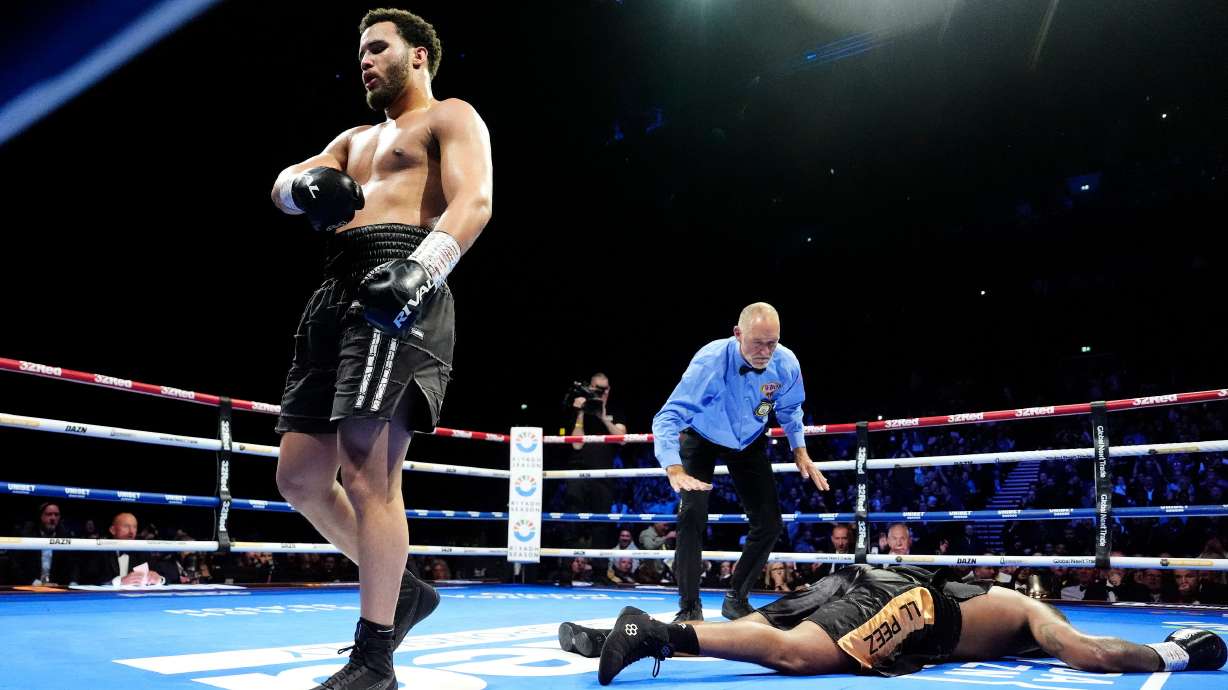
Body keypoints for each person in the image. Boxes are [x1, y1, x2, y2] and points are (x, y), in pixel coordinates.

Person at [268, 8, 493, 690]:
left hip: (402, 280)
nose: (365, 61)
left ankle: (375, 659)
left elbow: (475, 200)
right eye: (360, 52)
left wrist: (423, 270)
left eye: (378, 48)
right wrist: (301, 187)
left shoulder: (450, 116)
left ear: (418, 55)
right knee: (301, 478)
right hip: (334, 293)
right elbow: (281, 188)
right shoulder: (352, 138)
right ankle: (405, 591)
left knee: (369, 470)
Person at [556, 564, 1226, 685]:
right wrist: (1173, 654)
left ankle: (616, 637)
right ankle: (654, 633)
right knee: (796, 656)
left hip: (856, 581)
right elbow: (1087, 654)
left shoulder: (997, 600)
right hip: (910, 602)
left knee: (765, 629)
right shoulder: (1029, 608)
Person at [653, 302, 829, 622]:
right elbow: (667, 417)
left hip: (749, 440)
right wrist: (673, 466)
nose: (765, 351)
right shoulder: (710, 362)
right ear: (737, 334)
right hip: (702, 435)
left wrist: (799, 450)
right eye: (757, 342)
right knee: (692, 514)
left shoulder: (786, 363)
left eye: (772, 343)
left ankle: (736, 597)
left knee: (770, 522)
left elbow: (790, 409)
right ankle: (689, 608)